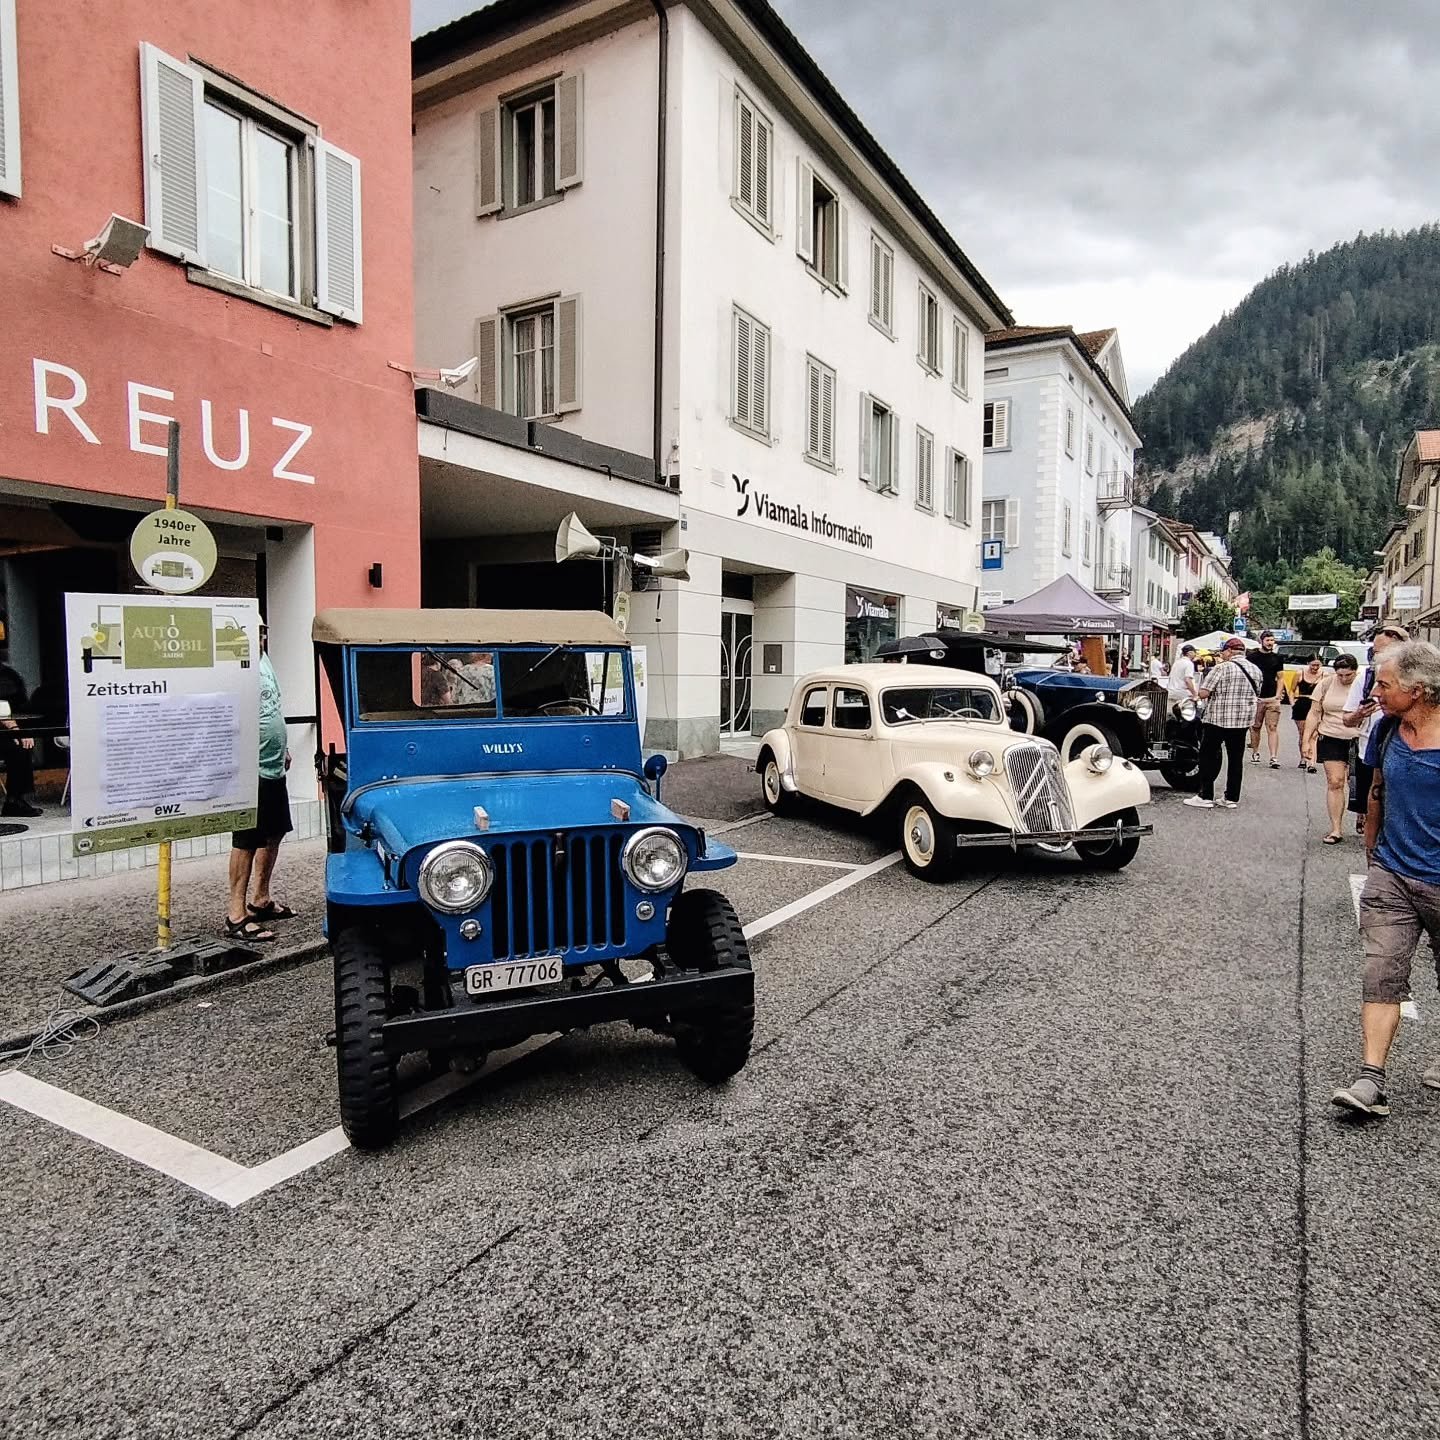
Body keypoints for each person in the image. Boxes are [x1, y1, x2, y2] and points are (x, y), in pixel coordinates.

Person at [1331, 642, 1440, 1117]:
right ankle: (1370, 1079)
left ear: (1418, 690)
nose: (1375, 690)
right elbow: (1376, 789)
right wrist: (1373, 851)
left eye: (1384, 684)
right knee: (1381, 973)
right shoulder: (1388, 727)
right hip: (1393, 872)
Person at [226, 622, 294, 943]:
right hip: (249, 768)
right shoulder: (234, 666)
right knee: (247, 840)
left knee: (274, 832)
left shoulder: (264, 660)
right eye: (255, 631)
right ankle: (236, 914)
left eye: (265, 629)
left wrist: (284, 747)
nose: (262, 635)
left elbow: (272, 707)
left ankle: (261, 899)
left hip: (273, 766)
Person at [1342, 624, 1409, 836]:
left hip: (1406, 753)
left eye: (1384, 652)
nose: (1377, 657)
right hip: (1369, 753)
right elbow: (1348, 719)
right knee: (1375, 803)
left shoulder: (1420, 682)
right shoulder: (1367, 678)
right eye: (1375, 652)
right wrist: (1360, 713)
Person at [1184, 636, 1262, 809]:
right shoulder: (1256, 670)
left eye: (1223, 652)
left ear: (1228, 651)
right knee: (1236, 759)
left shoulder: (1222, 668)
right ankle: (1231, 798)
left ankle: (1205, 796)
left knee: (1207, 756)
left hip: (1217, 719)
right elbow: (1257, 692)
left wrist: (1195, 696)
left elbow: (1204, 693)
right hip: (1241, 721)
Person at [1304, 653, 1361, 844]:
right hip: (1331, 736)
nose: (1344, 679)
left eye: (1348, 675)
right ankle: (1336, 828)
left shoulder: (1363, 684)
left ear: (1355, 671)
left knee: (1359, 784)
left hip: (1358, 738)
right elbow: (1314, 713)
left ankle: (1364, 814)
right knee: (1335, 781)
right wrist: (1306, 740)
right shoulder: (1326, 684)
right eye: (1340, 675)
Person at [0, 655, 40, 818]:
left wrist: (21, 732)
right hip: (6, 729)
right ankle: (15, 800)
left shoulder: (8, 676)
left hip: (5, 731)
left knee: (21, 749)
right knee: (17, 750)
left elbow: (11, 707)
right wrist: (17, 730)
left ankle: (15, 800)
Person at [1247, 630, 1287, 768]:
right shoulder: (1252, 657)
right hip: (1256, 698)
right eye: (1268, 640)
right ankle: (1255, 752)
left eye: (1272, 640)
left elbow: (1281, 678)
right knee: (1255, 726)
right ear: (1261, 641)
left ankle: (1273, 757)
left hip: (1272, 699)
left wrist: (1278, 694)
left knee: (1272, 727)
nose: (1270, 643)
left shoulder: (1278, 658)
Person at [1290, 656, 1324, 772]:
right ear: (1308, 663)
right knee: (1303, 734)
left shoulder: (1324, 676)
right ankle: (1303, 757)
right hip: (1302, 703)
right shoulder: (1300, 673)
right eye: (1313, 665)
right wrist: (1293, 703)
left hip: (1316, 705)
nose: (1315, 668)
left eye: (1317, 665)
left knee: (1314, 735)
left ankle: (1312, 763)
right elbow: (1291, 689)